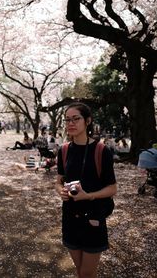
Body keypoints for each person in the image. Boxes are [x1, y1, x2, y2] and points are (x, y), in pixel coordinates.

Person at [56, 102, 117, 278]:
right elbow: (59, 181)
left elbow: (112, 188)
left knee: (87, 273)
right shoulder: (64, 150)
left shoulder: (101, 150)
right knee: (79, 270)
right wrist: (60, 190)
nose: (71, 124)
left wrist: (88, 196)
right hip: (69, 217)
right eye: (67, 120)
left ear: (87, 121)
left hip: (93, 217)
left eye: (76, 119)